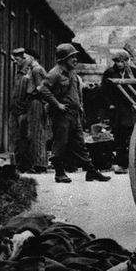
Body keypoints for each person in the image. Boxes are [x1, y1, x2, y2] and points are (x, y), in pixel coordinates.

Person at [43, 43, 108, 183]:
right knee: (61, 143)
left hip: (74, 114)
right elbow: (43, 89)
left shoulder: (72, 73)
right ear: (63, 58)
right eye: (72, 57)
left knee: (80, 143)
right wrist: (57, 104)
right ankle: (59, 174)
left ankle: (91, 172)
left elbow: (75, 91)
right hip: (61, 115)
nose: (75, 60)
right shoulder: (55, 73)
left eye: (75, 57)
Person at [8, 47, 49, 173]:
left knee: (35, 135)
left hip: (32, 106)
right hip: (19, 108)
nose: (17, 61)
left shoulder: (36, 70)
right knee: (20, 137)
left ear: (31, 58)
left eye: (22, 58)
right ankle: (24, 164)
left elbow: (42, 90)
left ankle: (39, 164)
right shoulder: (22, 72)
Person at [100, 50, 136, 172]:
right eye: (117, 61)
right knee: (119, 137)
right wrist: (109, 104)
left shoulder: (134, 72)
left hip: (131, 109)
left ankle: (134, 164)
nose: (119, 64)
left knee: (133, 137)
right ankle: (122, 164)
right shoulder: (109, 73)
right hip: (117, 109)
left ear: (127, 61)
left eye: (122, 61)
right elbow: (103, 91)